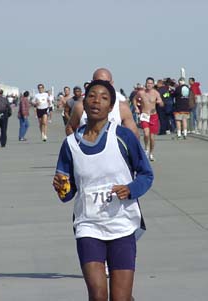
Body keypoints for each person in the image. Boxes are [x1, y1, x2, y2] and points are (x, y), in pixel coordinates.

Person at [53, 80, 153, 301]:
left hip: (122, 224)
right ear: (83, 104)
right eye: (92, 96)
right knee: (98, 295)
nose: (97, 101)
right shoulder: (70, 145)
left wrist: (130, 189)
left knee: (120, 298)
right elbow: (67, 193)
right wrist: (61, 188)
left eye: (104, 98)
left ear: (111, 107)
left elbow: (147, 174)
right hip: (88, 226)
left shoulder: (124, 137)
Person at [65, 68, 140, 139]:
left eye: (106, 83)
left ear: (112, 83)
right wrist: (77, 146)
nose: (102, 85)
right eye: (98, 82)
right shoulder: (81, 105)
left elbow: (134, 135)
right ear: (92, 82)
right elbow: (70, 127)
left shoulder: (121, 108)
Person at [133, 77, 163, 161]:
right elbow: (134, 99)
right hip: (145, 115)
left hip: (153, 116)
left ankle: (151, 153)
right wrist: (136, 108)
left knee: (152, 137)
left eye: (151, 83)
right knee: (146, 134)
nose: (149, 84)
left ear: (153, 84)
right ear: (146, 84)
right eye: (148, 83)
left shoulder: (156, 93)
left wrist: (160, 102)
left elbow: (161, 102)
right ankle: (146, 148)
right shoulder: (141, 93)